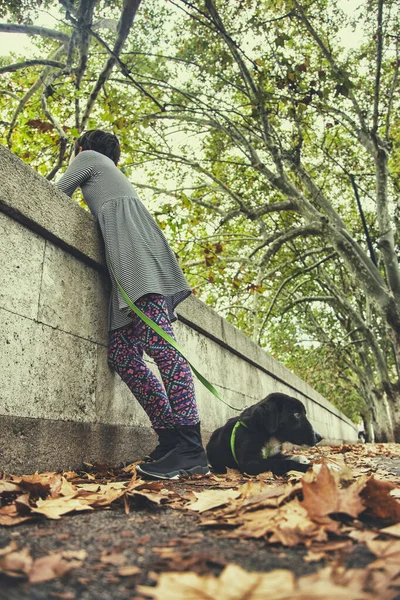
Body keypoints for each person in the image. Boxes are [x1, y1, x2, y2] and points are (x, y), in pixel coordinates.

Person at [55, 129, 209, 480]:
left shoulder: (88, 159)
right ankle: (172, 438)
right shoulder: (110, 172)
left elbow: (55, 194)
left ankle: (190, 447)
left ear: (81, 148)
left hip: (135, 258)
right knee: (123, 355)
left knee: (162, 345)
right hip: (124, 262)